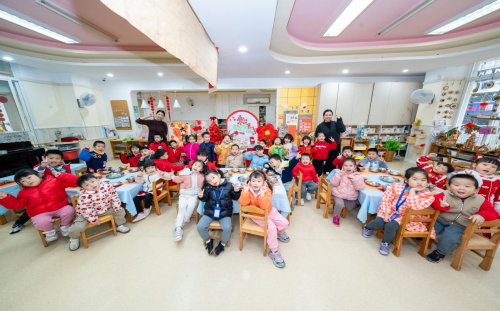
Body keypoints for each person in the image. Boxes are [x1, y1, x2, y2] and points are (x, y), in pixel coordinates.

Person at [362, 167, 435, 256]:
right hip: (390, 211)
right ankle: (368, 227)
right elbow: (386, 200)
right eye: (415, 179)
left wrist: (412, 191)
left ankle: (385, 243)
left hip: (406, 217)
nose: (419, 182)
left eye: (423, 180)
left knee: (391, 226)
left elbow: (414, 207)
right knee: (379, 222)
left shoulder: (428, 195)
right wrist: (386, 214)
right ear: (406, 180)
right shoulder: (396, 187)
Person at [426, 174, 499, 263]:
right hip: (440, 219)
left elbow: (493, 212)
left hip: (460, 225)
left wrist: (482, 215)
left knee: (450, 237)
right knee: (428, 228)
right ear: (449, 186)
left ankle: (440, 252)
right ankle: (422, 238)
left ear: (476, 190)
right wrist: (440, 205)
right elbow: (432, 203)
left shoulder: (480, 200)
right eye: (456, 185)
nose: (461, 188)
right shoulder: (444, 194)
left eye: (467, 186)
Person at [0, 169, 77, 243]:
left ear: (39, 175)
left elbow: (76, 182)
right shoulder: (23, 193)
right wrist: (6, 198)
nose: (28, 181)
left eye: (29, 177)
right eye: (23, 181)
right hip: (39, 213)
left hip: (60, 207)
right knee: (41, 222)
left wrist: (62, 176)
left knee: (69, 211)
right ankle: (49, 232)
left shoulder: (54, 181)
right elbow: (18, 204)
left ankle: (64, 226)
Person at [10, 150, 72, 234]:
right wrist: (43, 166)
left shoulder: (64, 166)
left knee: (67, 206)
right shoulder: (41, 167)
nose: (54, 160)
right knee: (36, 207)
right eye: (51, 158)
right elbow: (37, 172)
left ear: (61, 159)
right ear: (45, 158)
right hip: (44, 191)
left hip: (58, 190)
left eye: (57, 158)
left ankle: (66, 222)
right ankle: (19, 222)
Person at [239, 171, 290, 268]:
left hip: (270, 212)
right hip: (257, 215)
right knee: (272, 228)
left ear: (264, 182)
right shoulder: (247, 189)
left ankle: (280, 233)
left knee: (284, 223)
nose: (255, 183)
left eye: (259, 181)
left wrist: (262, 194)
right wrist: (245, 192)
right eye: (253, 181)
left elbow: (265, 206)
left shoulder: (267, 189)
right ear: (250, 182)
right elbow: (243, 203)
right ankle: (274, 251)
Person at [68, 174, 130, 251]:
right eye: (87, 185)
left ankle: (119, 225)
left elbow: (114, 196)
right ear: (83, 188)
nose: (92, 185)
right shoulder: (84, 195)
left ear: (97, 180)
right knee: (78, 227)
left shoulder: (107, 186)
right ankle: (74, 238)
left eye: (92, 181)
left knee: (120, 211)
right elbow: (86, 209)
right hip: (87, 214)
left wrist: (116, 206)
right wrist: (93, 219)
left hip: (105, 208)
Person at [197, 169, 241, 256]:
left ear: (218, 175)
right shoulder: (208, 188)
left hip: (225, 213)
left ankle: (222, 244)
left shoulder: (229, 185)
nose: (213, 181)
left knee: (227, 228)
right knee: (200, 227)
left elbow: (235, 197)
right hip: (210, 212)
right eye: (209, 180)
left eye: (213, 177)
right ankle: (209, 241)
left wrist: (236, 192)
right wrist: (201, 197)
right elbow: (205, 198)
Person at [167, 161, 205, 242]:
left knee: (190, 207)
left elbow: (204, 185)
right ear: (192, 165)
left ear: (201, 169)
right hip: (183, 195)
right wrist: (172, 176)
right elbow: (178, 180)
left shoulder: (202, 176)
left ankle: (181, 222)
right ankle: (178, 229)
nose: (196, 167)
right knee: (182, 209)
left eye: (199, 166)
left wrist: (203, 191)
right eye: (195, 165)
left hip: (194, 195)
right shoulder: (185, 173)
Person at [329, 157, 365, 227]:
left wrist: (353, 179)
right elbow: (334, 183)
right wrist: (339, 175)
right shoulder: (339, 173)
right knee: (340, 204)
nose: (348, 167)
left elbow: (359, 187)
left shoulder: (358, 176)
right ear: (342, 166)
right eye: (346, 165)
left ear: (355, 167)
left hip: (350, 196)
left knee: (352, 206)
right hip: (338, 194)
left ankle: (352, 205)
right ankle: (336, 216)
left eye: (350, 166)